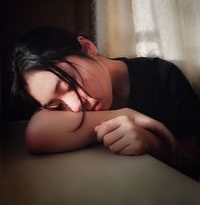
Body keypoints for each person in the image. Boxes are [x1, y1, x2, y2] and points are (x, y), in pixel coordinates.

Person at [11, 26, 200, 180]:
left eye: (69, 83)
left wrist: (152, 144)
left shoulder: (161, 77)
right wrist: (126, 114)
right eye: (56, 105)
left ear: (88, 48)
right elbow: (36, 134)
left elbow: (194, 163)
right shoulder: (72, 107)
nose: (75, 108)